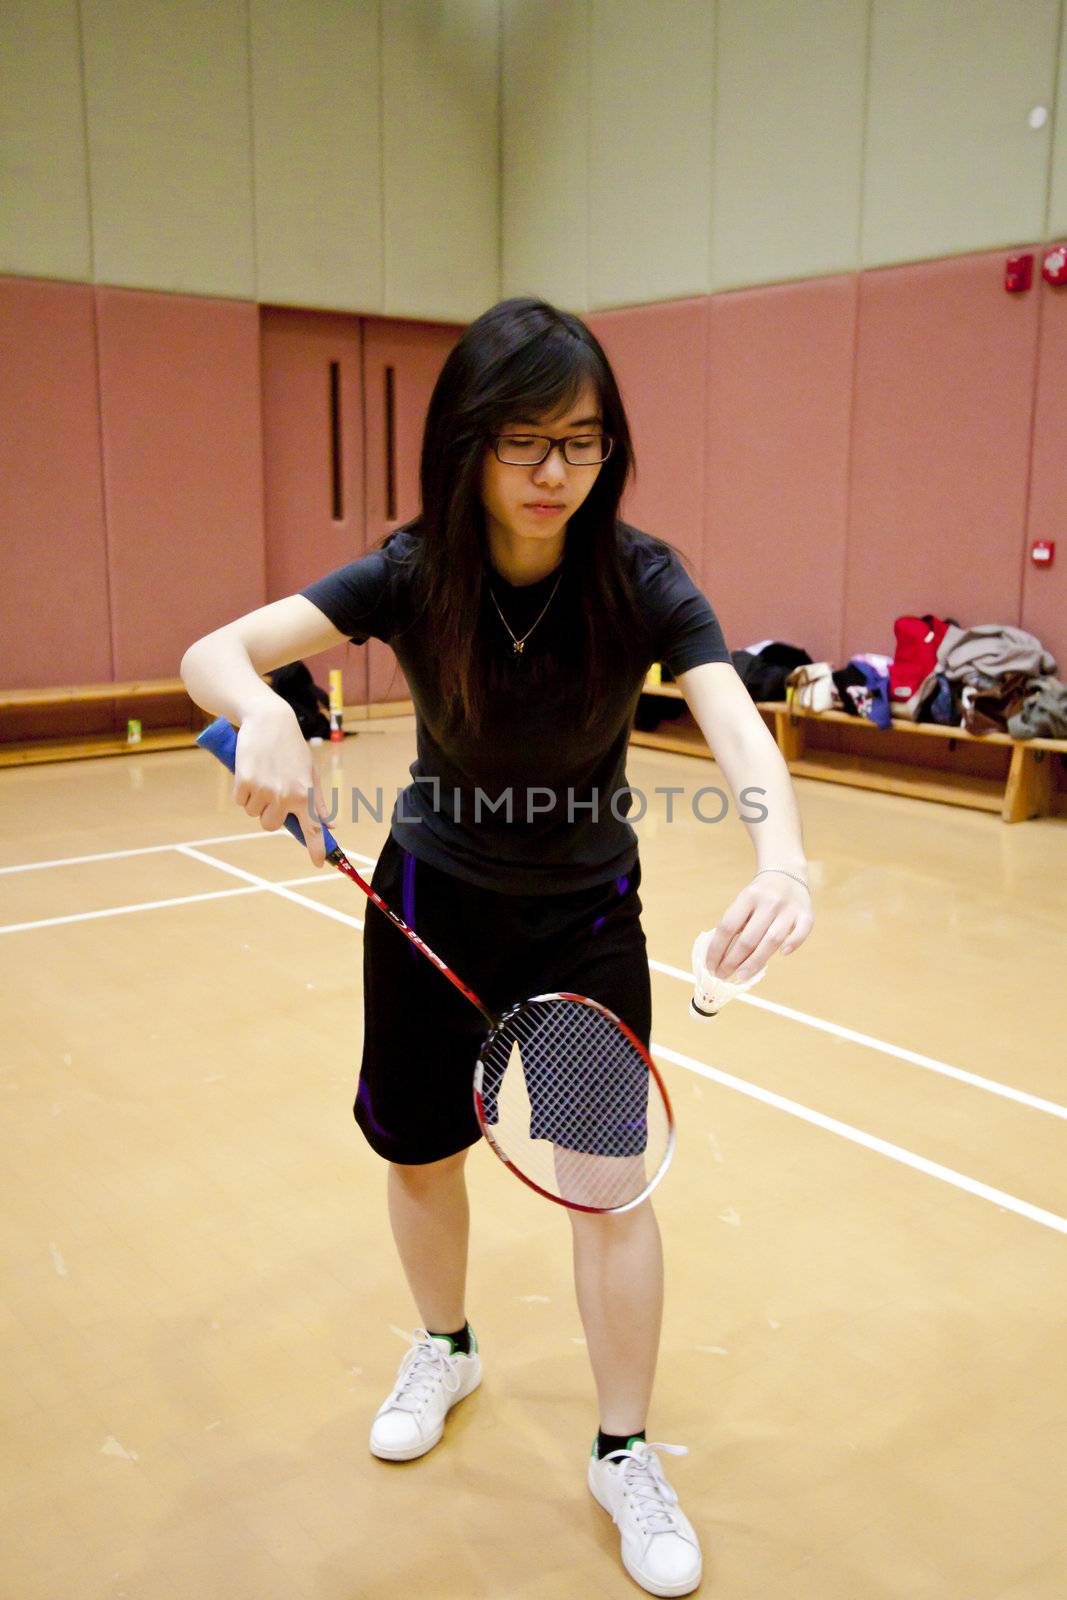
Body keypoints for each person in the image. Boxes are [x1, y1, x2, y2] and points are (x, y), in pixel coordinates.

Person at [180, 295, 813, 1597]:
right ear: (468, 441)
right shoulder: (413, 569)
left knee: (606, 1188)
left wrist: (784, 856)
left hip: (582, 927)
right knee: (420, 1159)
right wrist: (261, 714)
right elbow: (217, 651)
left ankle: (624, 1448)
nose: (551, 474)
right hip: (429, 909)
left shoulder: (638, 577)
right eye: (524, 442)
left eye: (579, 443)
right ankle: (448, 1346)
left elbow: (734, 723)